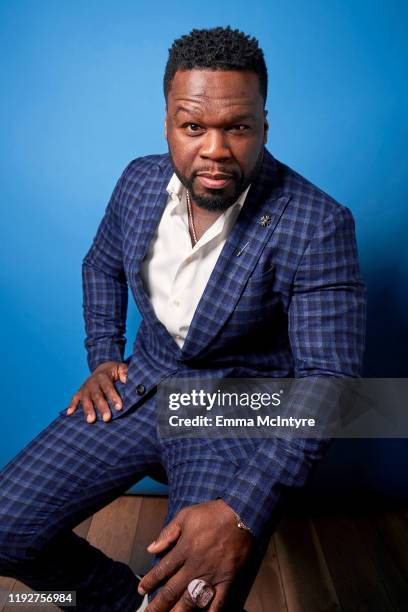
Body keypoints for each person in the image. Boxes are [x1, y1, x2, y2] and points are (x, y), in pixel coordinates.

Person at [0, 26, 365, 611]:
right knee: (5, 530)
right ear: (168, 123)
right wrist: (103, 355)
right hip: (142, 387)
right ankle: (121, 602)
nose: (215, 149)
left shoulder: (317, 223)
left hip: (236, 413)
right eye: (193, 126)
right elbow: (100, 264)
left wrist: (242, 510)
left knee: (189, 601)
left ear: (264, 125)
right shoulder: (139, 181)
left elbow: (332, 387)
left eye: (237, 127)